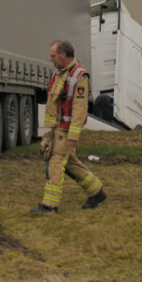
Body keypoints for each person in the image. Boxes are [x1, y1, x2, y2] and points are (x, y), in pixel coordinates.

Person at [31, 40, 106, 213]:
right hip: (58, 129)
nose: (51, 59)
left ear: (63, 55)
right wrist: (49, 132)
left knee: (55, 165)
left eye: (53, 56)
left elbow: (80, 109)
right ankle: (97, 192)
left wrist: (74, 135)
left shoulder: (79, 76)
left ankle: (50, 206)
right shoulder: (60, 74)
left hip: (66, 131)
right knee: (71, 164)